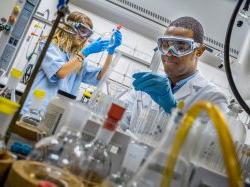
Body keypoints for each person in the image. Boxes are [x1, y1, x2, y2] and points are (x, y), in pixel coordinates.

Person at [121, 16, 227, 128]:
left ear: (199, 51)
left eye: (180, 47)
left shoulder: (213, 97)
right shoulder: (149, 85)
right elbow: (119, 118)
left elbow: (209, 142)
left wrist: (173, 108)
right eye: (165, 45)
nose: (169, 53)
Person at [22, 11, 122, 113]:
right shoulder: (48, 45)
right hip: (35, 108)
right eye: (82, 30)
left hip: (56, 112)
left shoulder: (77, 59)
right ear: (69, 27)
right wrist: (85, 52)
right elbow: (61, 72)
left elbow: (100, 77)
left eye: (88, 33)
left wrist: (111, 50)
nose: (84, 36)